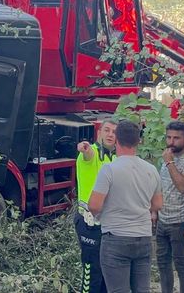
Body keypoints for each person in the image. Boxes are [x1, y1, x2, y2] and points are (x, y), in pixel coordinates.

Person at [88, 120, 162, 293]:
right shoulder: (151, 169)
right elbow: (157, 204)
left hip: (116, 238)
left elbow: (94, 205)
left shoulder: (109, 170)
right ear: (138, 141)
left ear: (117, 140)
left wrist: (100, 217)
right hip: (143, 237)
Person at [74, 119, 117, 293]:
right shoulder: (93, 154)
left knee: (108, 273)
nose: (110, 134)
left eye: (114, 132)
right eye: (106, 130)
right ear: (99, 133)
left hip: (109, 224)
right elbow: (87, 155)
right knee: (91, 274)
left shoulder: (115, 157)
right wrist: (85, 149)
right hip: (89, 224)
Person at [156, 121, 184, 293]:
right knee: (163, 265)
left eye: (176, 138)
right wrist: (153, 212)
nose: (171, 142)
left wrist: (170, 163)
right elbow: (160, 187)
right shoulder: (165, 158)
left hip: (180, 221)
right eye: (169, 137)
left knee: (182, 266)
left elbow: (183, 187)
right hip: (162, 220)